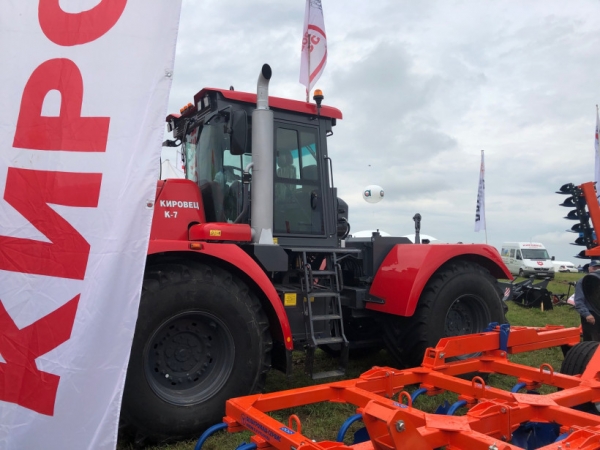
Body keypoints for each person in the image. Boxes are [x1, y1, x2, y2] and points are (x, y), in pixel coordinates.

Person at [574, 260, 600, 341]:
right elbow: (578, 301)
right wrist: (587, 314)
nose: (597, 269)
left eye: (598, 267)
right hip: (591, 314)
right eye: (594, 267)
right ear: (589, 269)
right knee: (591, 340)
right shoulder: (583, 281)